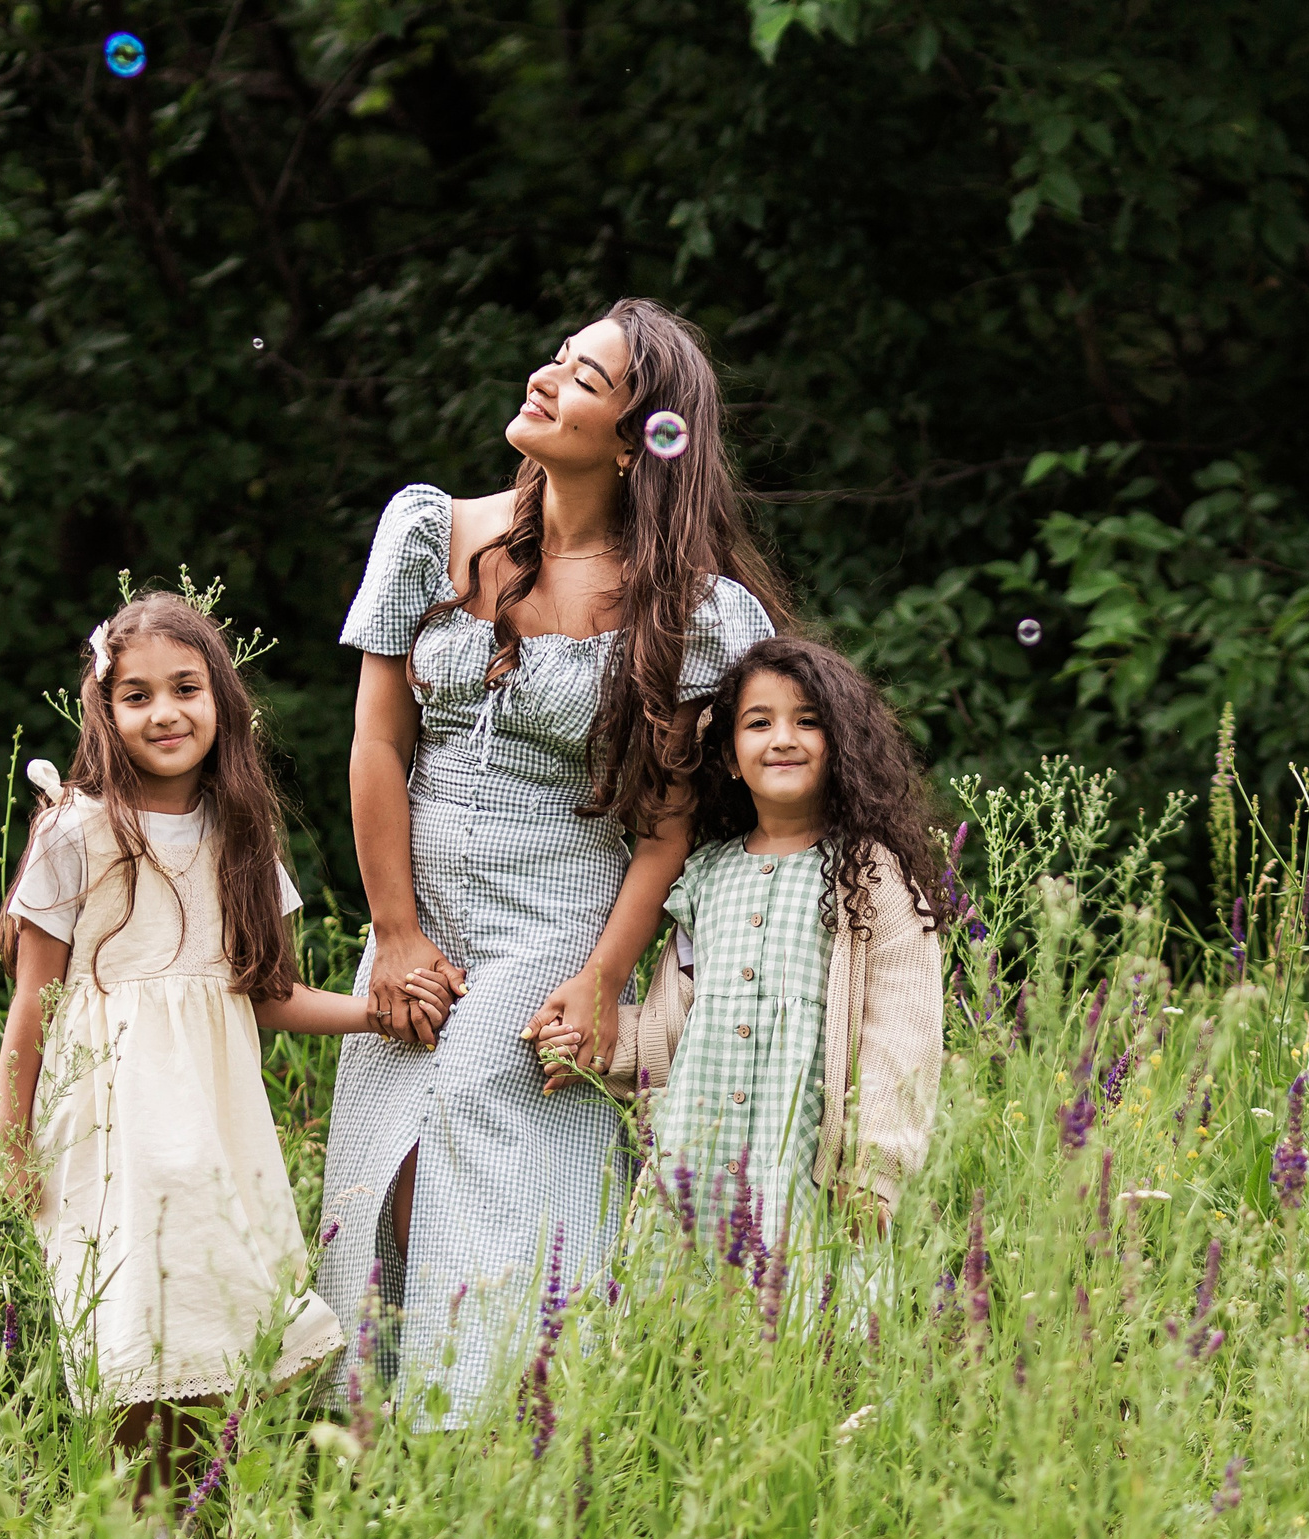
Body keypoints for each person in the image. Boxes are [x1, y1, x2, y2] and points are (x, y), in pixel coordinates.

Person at [319, 299, 790, 1425]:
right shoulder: (430, 530)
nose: (545, 378)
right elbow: (379, 743)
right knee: (383, 1169)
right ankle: (381, 1427)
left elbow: (667, 825)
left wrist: (602, 978)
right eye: (559, 356)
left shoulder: (686, 608)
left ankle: (486, 1419)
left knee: (485, 1097)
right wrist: (394, 931)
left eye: (583, 378)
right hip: (420, 908)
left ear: (636, 440)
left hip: (561, 913)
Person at [0, 591, 434, 1494]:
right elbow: (35, 999)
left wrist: (378, 1013)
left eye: (185, 688)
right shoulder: (77, 828)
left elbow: (262, 995)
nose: (164, 712)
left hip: (213, 1128)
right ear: (104, 714)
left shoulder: (237, 835)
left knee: (214, 1327)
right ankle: (140, 1533)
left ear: (221, 699)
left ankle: (201, 1528)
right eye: (137, 694)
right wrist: (7, 1136)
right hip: (112, 1129)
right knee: (132, 1325)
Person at [593, 636, 948, 1263]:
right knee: (685, 1337)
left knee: (807, 1338)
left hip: (810, 1174)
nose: (783, 738)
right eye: (759, 723)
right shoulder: (703, 877)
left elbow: (901, 1034)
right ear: (731, 755)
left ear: (842, 747)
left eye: (808, 721)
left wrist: (876, 1170)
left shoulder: (870, 875)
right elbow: (673, 1020)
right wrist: (595, 1042)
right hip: (695, 1164)